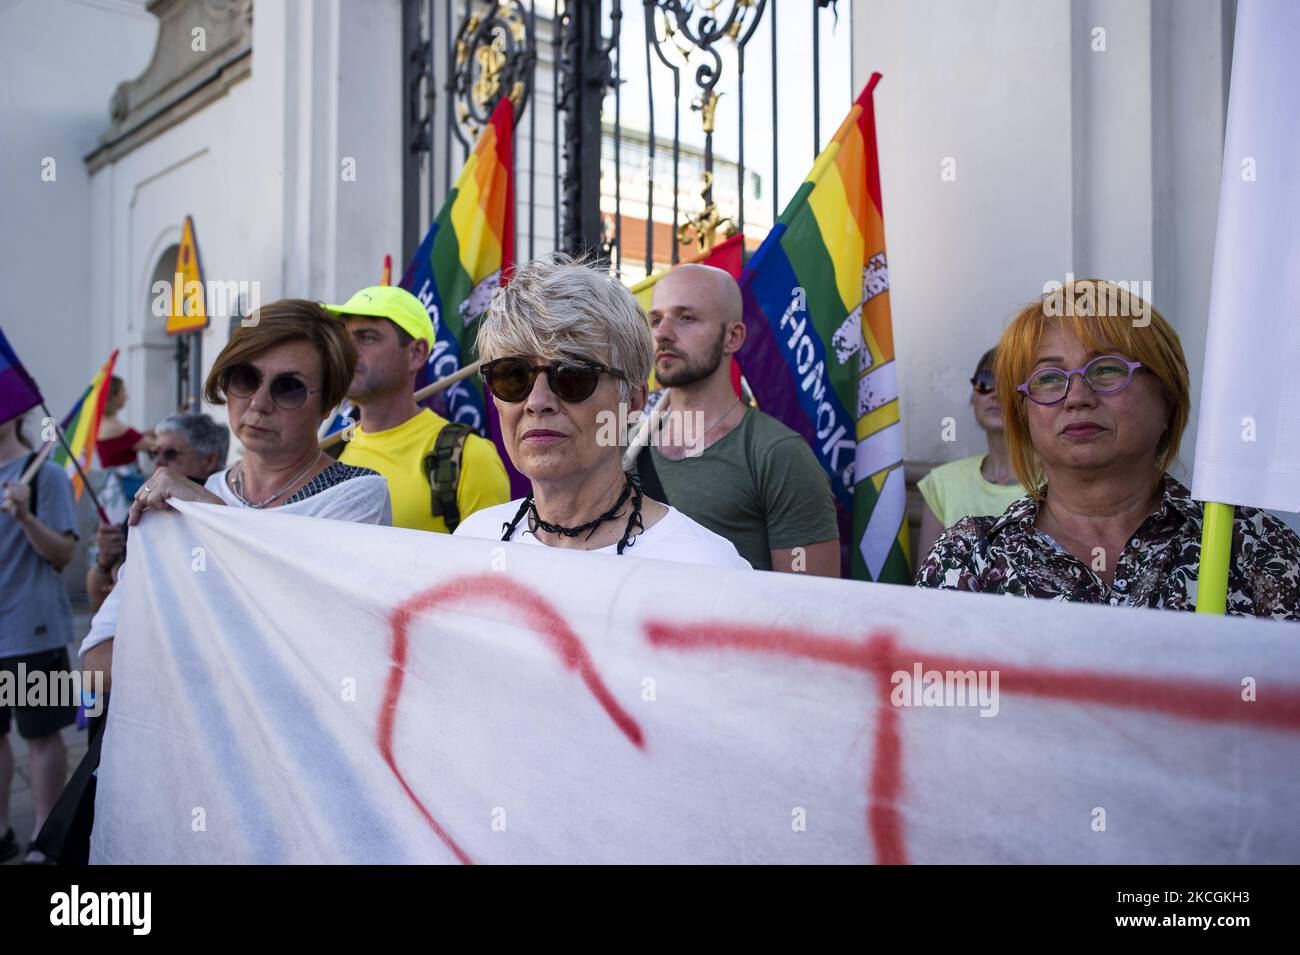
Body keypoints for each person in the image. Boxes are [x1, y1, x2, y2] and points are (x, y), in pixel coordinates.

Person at [38, 299, 392, 865]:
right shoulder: (172, 504)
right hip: (173, 791)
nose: (258, 402)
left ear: (326, 405)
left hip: (289, 797)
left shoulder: (356, 495)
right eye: (244, 378)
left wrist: (204, 520)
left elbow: (301, 653)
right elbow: (99, 664)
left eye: (289, 387)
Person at [916, 279, 1300, 620]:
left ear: (1167, 399)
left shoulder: (1250, 542)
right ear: (1025, 415)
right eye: (1049, 378)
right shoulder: (970, 556)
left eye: (1107, 369)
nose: (1077, 397)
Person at [454, 255, 750, 569]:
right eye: (512, 376)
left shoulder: (706, 567)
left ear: (633, 403)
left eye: (572, 375)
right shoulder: (470, 543)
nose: (537, 400)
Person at [638, 264, 840, 574]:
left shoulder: (779, 455)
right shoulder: (624, 445)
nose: (662, 333)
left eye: (687, 318)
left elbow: (810, 605)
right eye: (655, 320)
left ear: (733, 337)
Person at [323, 285, 510, 532]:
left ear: (416, 353)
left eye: (367, 337)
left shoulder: (469, 457)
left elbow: (490, 567)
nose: (348, 353)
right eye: (344, 339)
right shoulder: (330, 450)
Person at [0, 412, 79, 863]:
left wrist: (26, 517)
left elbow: (63, 553)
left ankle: (45, 840)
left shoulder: (43, 473)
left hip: (33, 633)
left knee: (42, 736)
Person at [85, 411, 230, 609]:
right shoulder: (147, 510)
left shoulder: (227, 512)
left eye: (170, 454)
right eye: (154, 452)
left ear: (208, 461)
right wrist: (104, 561)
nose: (158, 462)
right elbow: (96, 597)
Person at [915, 347, 1025, 562]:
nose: (996, 393)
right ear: (973, 395)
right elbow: (925, 586)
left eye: (1009, 382)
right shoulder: (944, 482)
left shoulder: (1059, 484)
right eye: (985, 381)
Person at [95, 376, 156, 467]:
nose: (126, 396)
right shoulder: (115, 427)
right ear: (113, 396)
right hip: (124, 480)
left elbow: (129, 440)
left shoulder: (102, 422)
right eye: (122, 391)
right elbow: (155, 446)